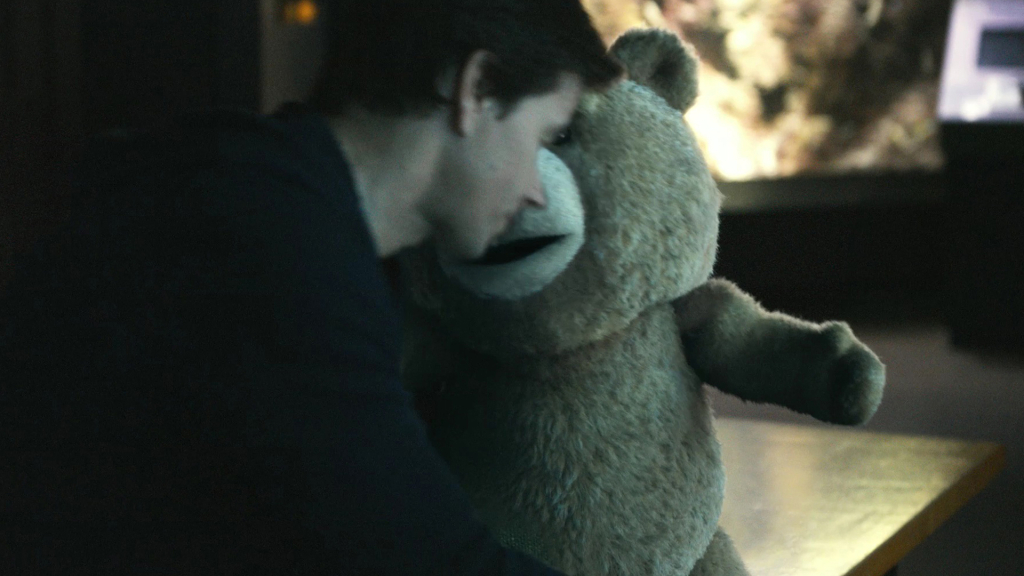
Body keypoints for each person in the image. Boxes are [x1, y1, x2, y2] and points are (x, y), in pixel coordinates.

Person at [0, 0, 623, 573]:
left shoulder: (283, 200)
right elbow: (427, 562)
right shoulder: (272, 247)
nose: (538, 191)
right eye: (544, 138)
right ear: (476, 88)